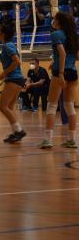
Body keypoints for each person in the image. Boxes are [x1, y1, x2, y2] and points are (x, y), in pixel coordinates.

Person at [38, 12, 78, 149]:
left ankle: (48, 140)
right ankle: (72, 140)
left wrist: (61, 72)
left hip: (60, 73)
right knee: (69, 106)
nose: (53, 21)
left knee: (52, 105)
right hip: (73, 71)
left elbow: (62, 53)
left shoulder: (56, 34)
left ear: (59, 22)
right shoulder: (74, 36)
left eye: (55, 19)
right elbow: (75, 56)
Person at [0, 25, 27, 144]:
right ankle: (16, 132)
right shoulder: (9, 45)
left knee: (2, 107)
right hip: (17, 79)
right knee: (9, 107)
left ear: (3, 34)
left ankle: (19, 131)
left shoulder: (7, 46)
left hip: (14, 79)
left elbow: (17, 62)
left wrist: (4, 73)